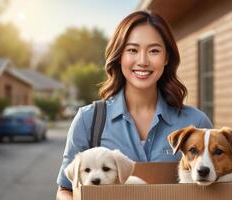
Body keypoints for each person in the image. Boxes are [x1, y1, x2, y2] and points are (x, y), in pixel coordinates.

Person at [56, 10, 213, 199]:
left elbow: (221, 186)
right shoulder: (89, 120)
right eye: (132, 50)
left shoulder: (196, 122)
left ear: (166, 58)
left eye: (154, 51)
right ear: (119, 56)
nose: (143, 61)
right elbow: (65, 190)